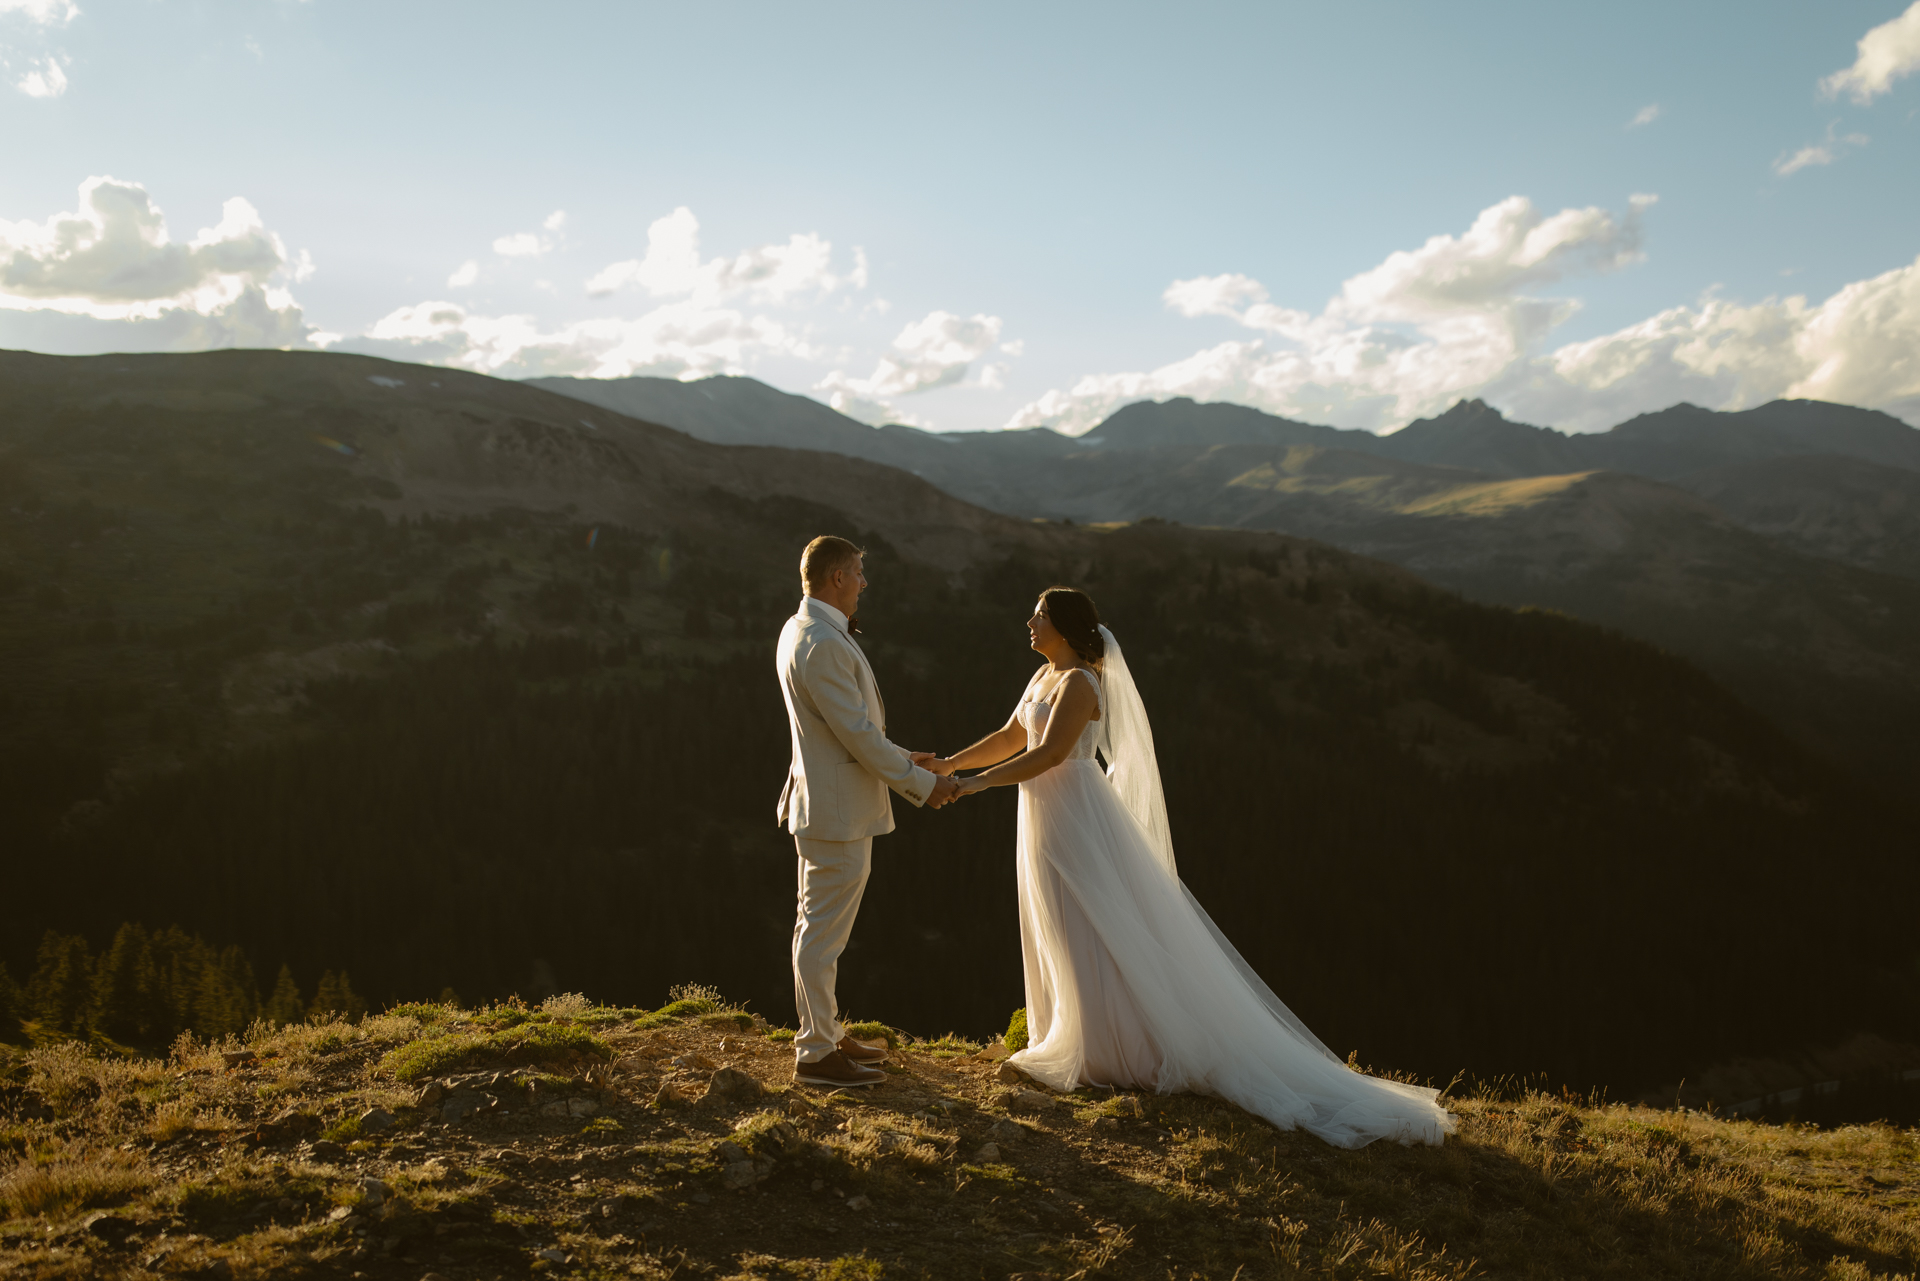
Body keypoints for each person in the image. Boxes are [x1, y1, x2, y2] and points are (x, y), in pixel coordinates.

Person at [914, 587, 1455, 1148]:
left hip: (1075, 810)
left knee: (1088, 920)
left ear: (1067, 627)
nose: (1029, 621)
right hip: (1042, 812)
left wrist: (970, 785)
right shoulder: (1042, 678)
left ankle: (1104, 1048)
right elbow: (1010, 737)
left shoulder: (1079, 683)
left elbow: (1051, 754)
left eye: (1041, 615)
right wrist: (949, 763)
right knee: (1054, 915)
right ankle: (1068, 1031)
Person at [775, 536, 960, 1089]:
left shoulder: (798, 628)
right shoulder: (823, 643)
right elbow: (856, 734)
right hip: (835, 813)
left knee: (819, 929)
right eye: (857, 573)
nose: (863, 582)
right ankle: (815, 1055)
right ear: (835, 578)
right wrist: (923, 784)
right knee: (821, 935)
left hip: (828, 803)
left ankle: (825, 1033)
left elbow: (845, 729)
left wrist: (905, 755)